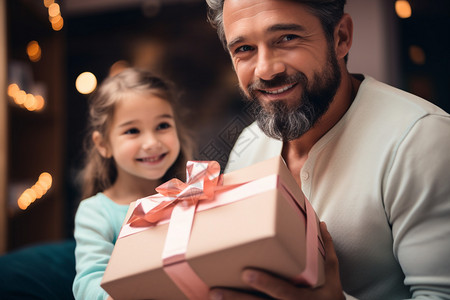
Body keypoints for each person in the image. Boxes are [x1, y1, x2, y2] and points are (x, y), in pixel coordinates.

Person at [205, 0, 450, 299]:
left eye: (286, 38)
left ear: (341, 37)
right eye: (244, 49)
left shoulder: (421, 138)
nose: (266, 70)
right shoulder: (249, 142)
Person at [72, 68, 193, 300]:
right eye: (132, 131)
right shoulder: (96, 213)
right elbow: (89, 283)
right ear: (103, 144)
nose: (151, 142)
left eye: (162, 126)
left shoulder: (188, 196)